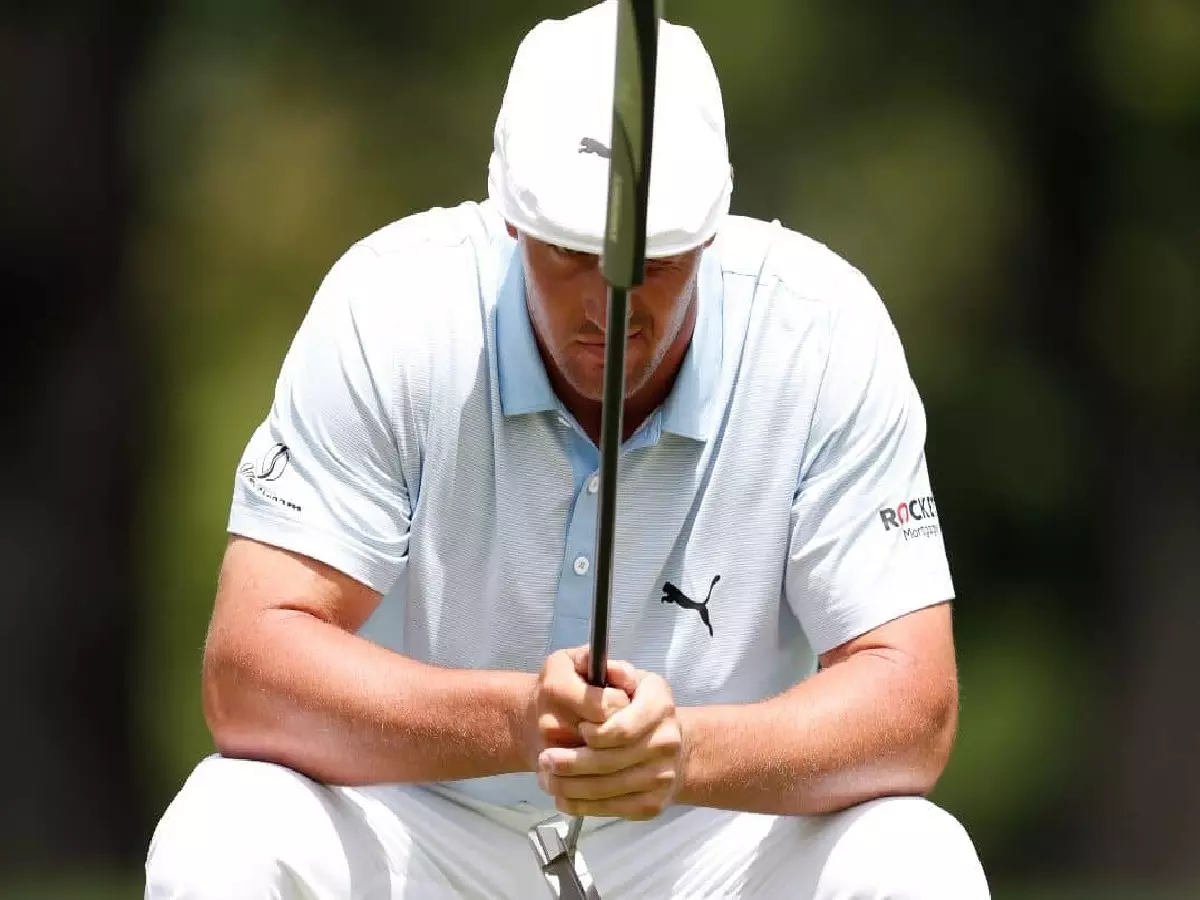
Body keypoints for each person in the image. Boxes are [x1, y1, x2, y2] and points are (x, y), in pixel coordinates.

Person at [143, 2, 990, 897]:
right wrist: (519, 720)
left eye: (655, 263)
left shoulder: (821, 329)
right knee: (223, 828)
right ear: (509, 216)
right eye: (567, 253)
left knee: (916, 856)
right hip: (425, 825)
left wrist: (689, 749)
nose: (608, 304)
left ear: (710, 231)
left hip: (708, 840)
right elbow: (248, 672)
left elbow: (914, 707)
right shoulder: (391, 308)